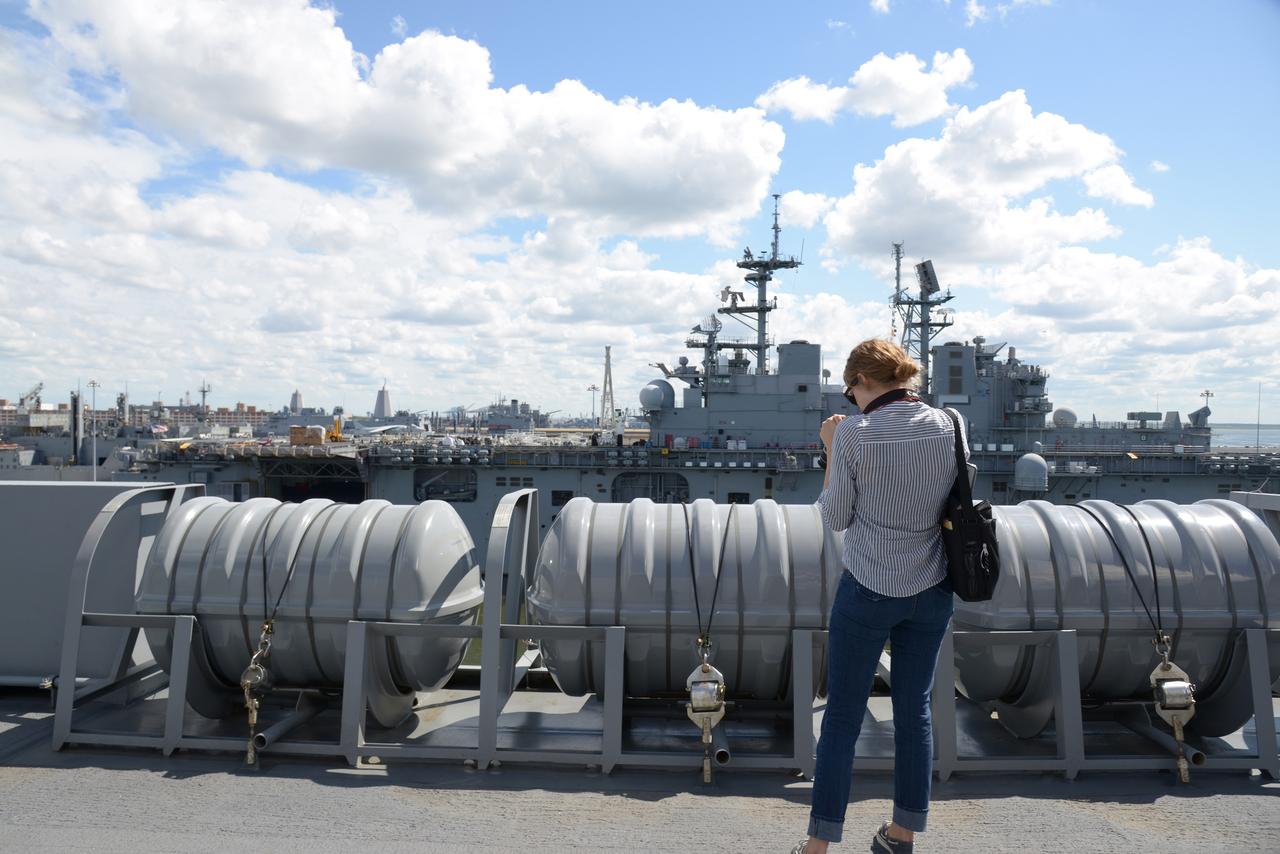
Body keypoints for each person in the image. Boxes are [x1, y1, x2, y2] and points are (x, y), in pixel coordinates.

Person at [791, 338, 966, 854]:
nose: (851, 401)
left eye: (851, 392)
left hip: (868, 587)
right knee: (914, 712)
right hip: (933, 586)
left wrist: (831, 446)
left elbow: (835, 516)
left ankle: (819, 845)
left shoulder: (855, 437)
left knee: (842, 716)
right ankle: (902, 835)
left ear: (864, 382)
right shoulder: (951, 424)